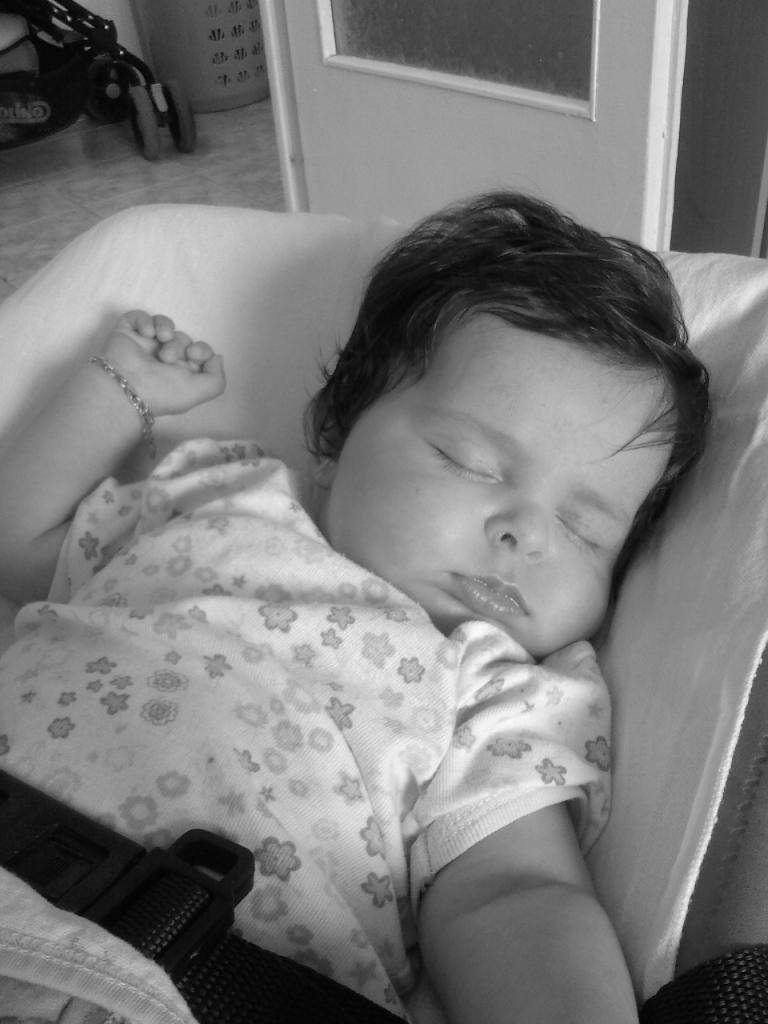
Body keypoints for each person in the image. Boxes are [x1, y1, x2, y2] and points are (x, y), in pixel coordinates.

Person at [0, 192, 710, 1024]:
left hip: (175, 988)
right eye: (469, 460)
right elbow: (18, 542)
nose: (524, 532)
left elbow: (512, 894)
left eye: (585, 530)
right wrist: (118, 390)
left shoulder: (499, 695)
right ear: (335, 435)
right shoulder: (215, 497)